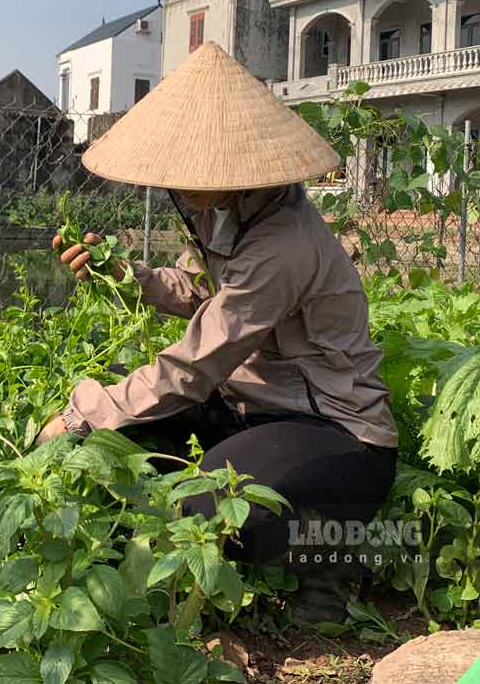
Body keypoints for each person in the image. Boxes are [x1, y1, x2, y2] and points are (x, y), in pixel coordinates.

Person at [35, 42, 397, 625]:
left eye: (187, 168)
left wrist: (85, 412)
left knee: (205, 505)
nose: (174, 182)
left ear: (230, 167)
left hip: (337, 434)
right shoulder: (228, 211)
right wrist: (132, 275)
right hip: (257, 409)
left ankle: (334, 557)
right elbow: (203, 294)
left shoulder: (284, 243)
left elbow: (196, 363)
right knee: (128, 447)